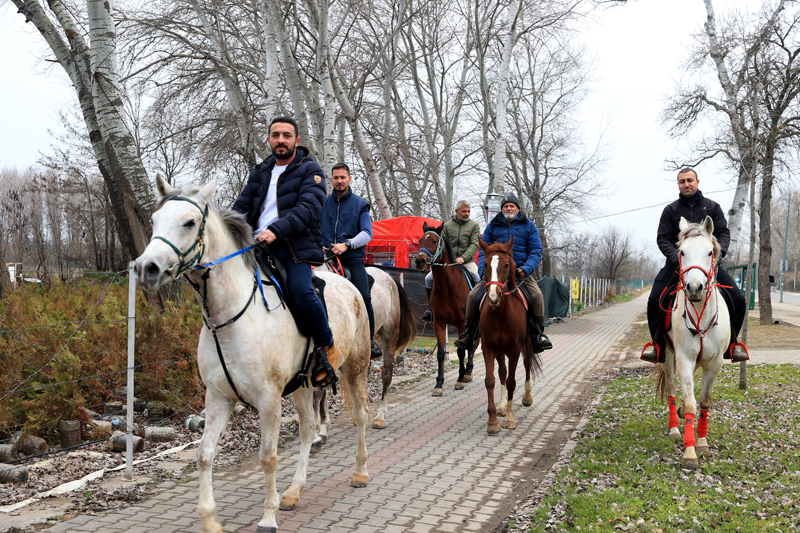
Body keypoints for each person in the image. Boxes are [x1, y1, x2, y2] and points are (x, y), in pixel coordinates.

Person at [232, 116, 339, 390]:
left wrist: (275, 230)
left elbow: (309, 209)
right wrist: (226, 227)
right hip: (256, 245)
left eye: (287, 135)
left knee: (301, 291)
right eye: (276, 135)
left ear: (297, 140)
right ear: (269, 139)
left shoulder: (311, 170)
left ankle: (327, 347)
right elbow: (242, 206)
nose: (281, 140)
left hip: (293, 246)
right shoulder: (259, 172)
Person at [641, 168, 748, 363]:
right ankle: (658, 347)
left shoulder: (713, 207)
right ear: (678, 185)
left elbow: (724, 233)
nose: (686, 184)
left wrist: (719, 254)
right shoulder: (670, 210)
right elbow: (662, 238)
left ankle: (732, 345)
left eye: (690, 180)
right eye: (682, 181)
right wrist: (674, 256)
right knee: (654, 299)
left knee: (739, 299)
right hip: (677, 265)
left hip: (707, 265)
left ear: (698, 182)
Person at [454, 192, 552, 352]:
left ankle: (538, 336)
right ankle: (469, 334)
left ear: (518, 208)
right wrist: (482, 270)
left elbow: (536, 251)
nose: (509, 208)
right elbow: (483, 251)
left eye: (512, 206)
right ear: (502, 209)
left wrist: (526, 268)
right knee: (472, 296)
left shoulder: (529, 226)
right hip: (495, 274)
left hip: (520, 273)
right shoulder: (493, 225)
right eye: (506, 206)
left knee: (537, 296)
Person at [321, 163, 383, 360]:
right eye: (336, 177)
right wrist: (318, 244)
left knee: (364, 296)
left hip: (352, 258)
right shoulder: (323, 203)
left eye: (343, 177)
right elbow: (313, 228)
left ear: (349, 179)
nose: (339, 181)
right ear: (331, 180)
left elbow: (367, 233)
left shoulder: (360, 205)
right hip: (325, 256)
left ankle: (369, 341)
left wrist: (347, 244)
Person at [420, 200, 481, 322]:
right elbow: (442, 244)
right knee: (428, 279)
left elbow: (474, 244)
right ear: (457, 211)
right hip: (448, 262)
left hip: (467, 261)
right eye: (464, 211)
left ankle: (478, 310)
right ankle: (431, 310)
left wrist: (463, 258)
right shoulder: (447, 226)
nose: (467, 214)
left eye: (468, 211)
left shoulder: (474, 226)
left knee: (478, 279)